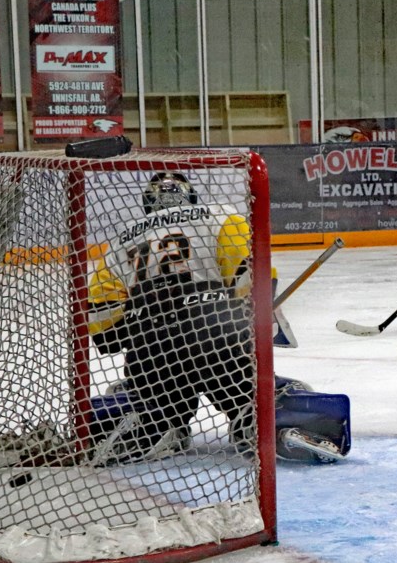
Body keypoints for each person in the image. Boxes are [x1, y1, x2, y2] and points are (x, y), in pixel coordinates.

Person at [87, 171, 350, 463]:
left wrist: (143, 327)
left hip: (153, 354)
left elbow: (103, 327)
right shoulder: (221, 217)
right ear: (191, 196)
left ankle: (158, 425)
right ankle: (258, 424)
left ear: (148, 203)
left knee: (148, 399)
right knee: (253, 396)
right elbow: (254, 279)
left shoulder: (119, 244)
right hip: (218, 339)